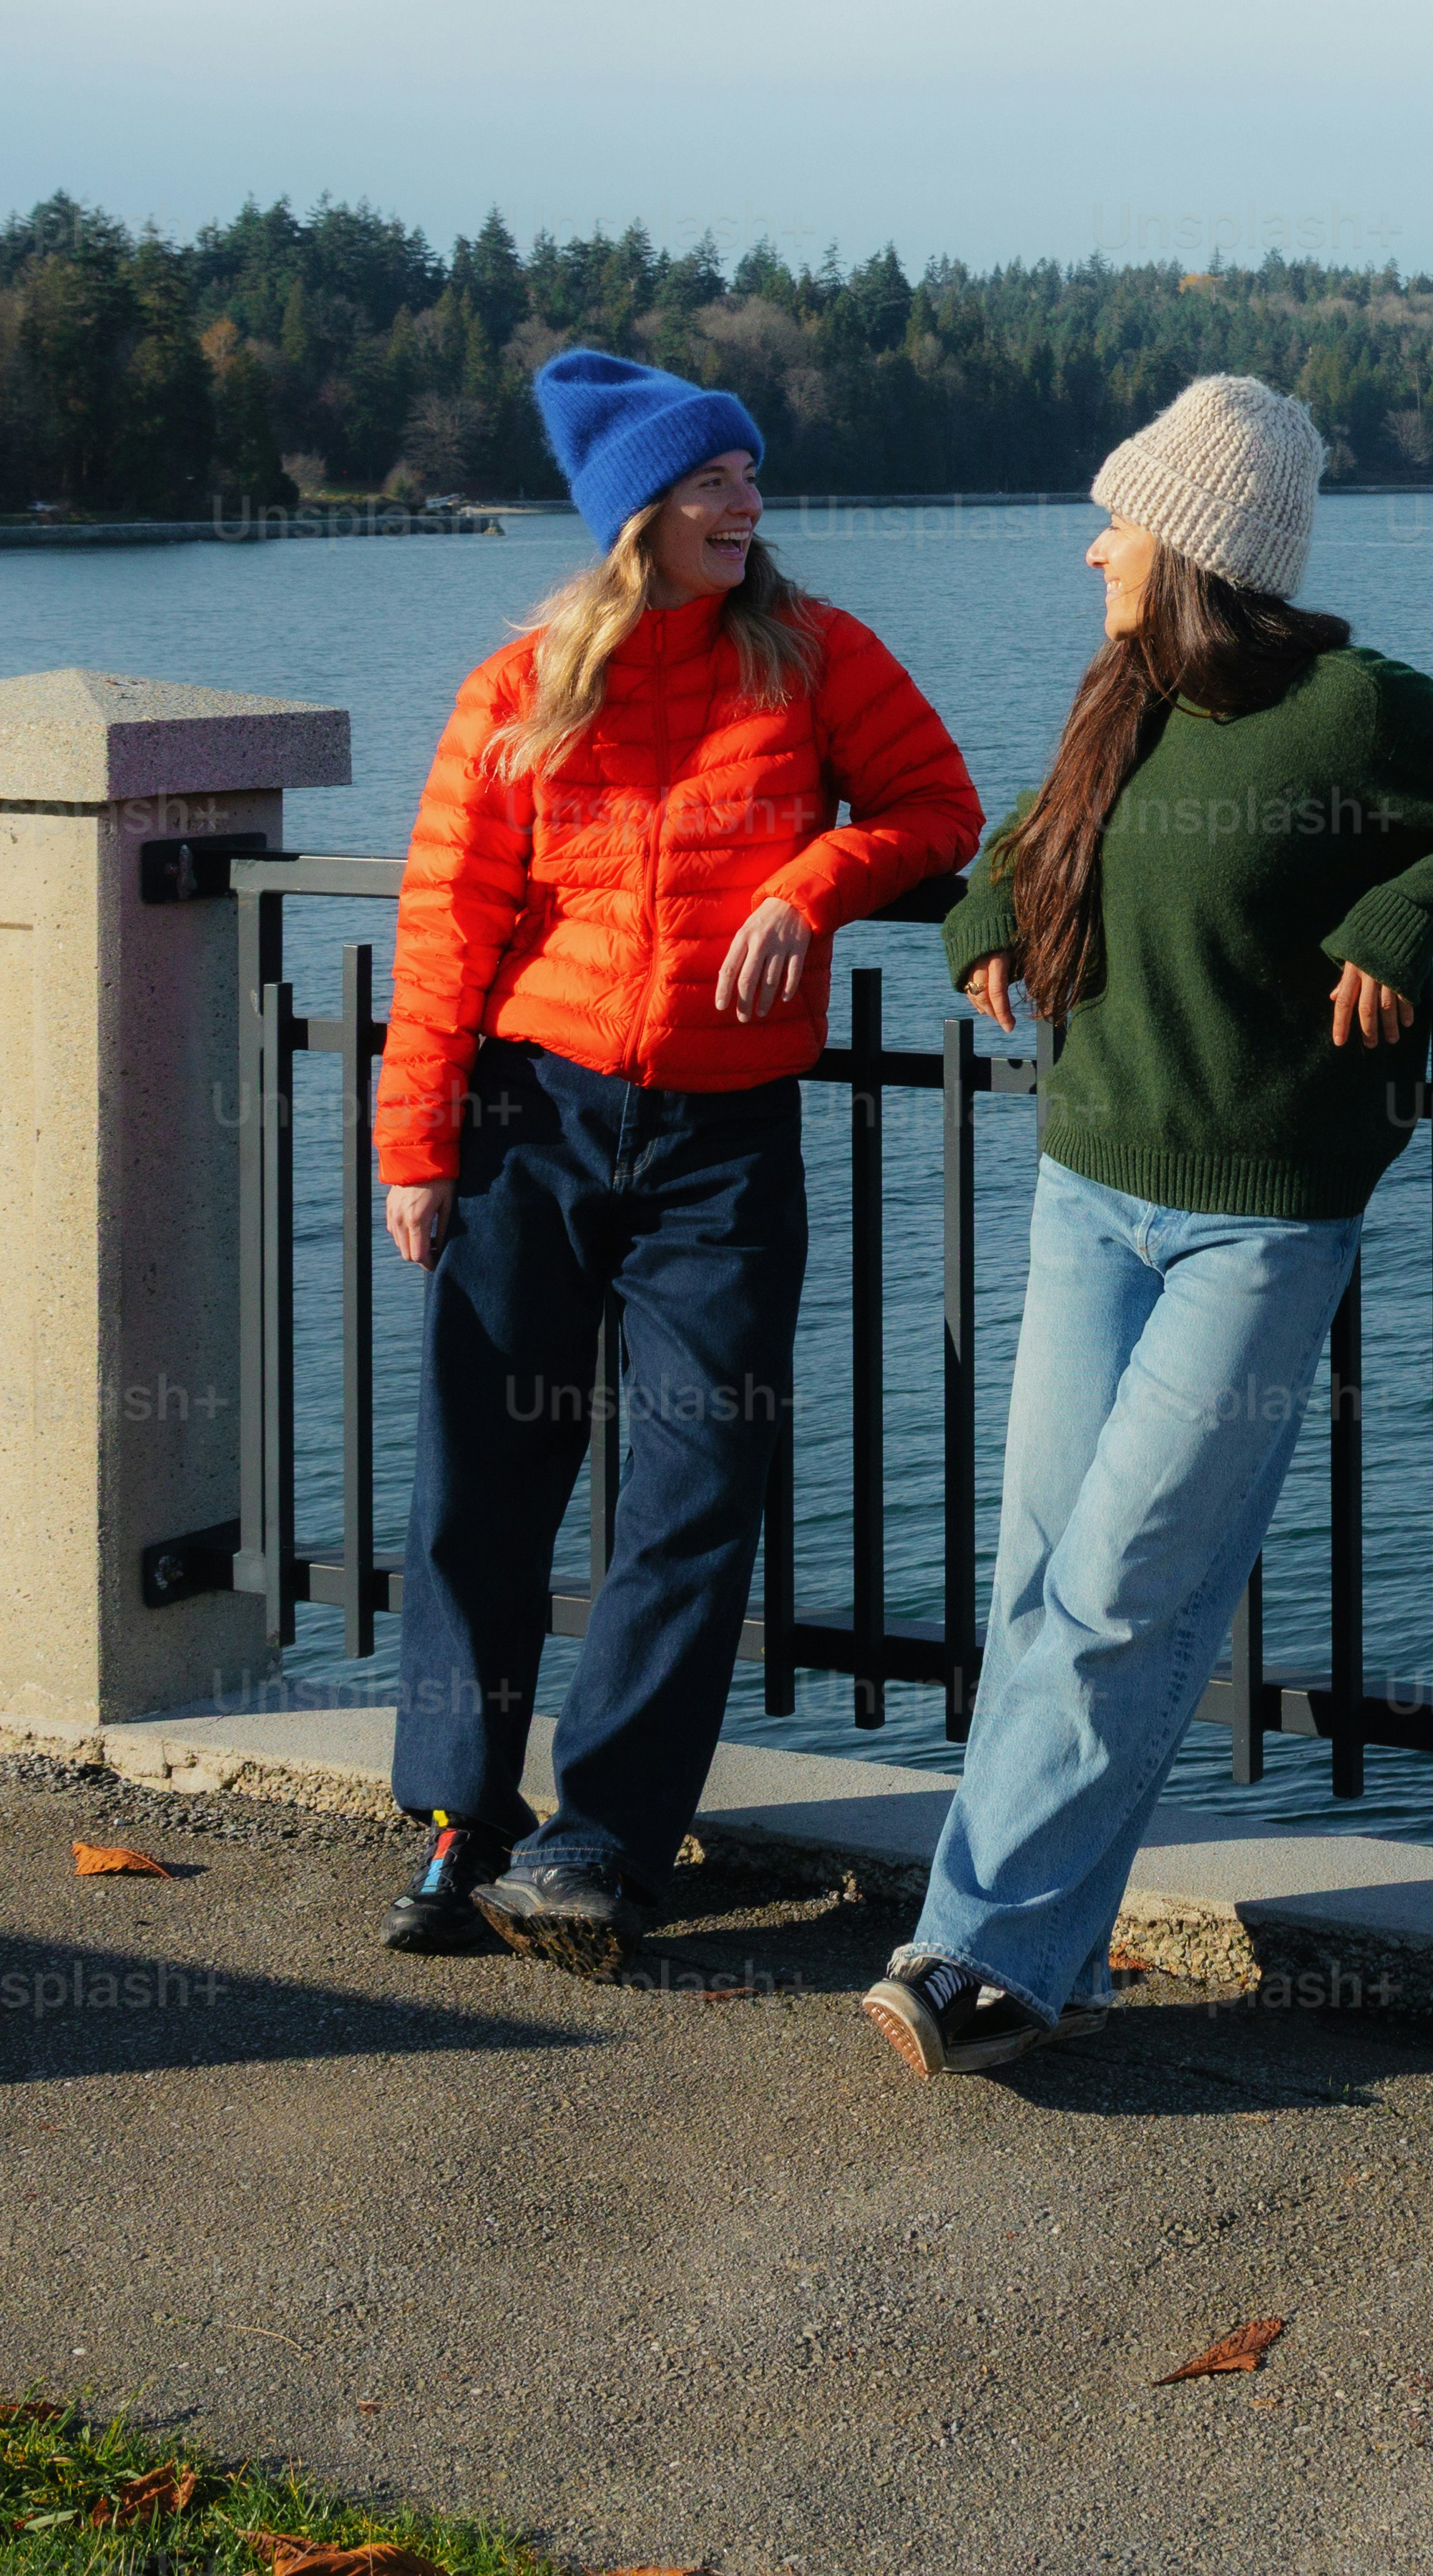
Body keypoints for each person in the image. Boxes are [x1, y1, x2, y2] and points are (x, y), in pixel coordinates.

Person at [866, 375, 1433, 2078]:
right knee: (1041, 1570)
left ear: (1190, 542)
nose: (1092, 546)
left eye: (1119, 518)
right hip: (1085, 1184)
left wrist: (1403, 905)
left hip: (1257, 1220)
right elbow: (1029, 842)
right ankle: (1050, 1957)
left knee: (1121, 1586)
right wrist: (978, 905)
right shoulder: (1122, 693)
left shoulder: (1357, 707)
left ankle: (972, 1950)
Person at [373, 348, 982, 1975]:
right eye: (714, 481)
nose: (746, 503)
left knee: (695, 1487)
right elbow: (446, 926)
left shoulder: (814, 651)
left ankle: (605, 1841)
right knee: (483, 1485)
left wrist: (814, 881)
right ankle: (457, 1821)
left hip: (723, 1139)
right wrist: (417, 1141)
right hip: (532, 1115)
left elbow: (937, 806)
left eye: (749, 478)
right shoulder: (520, 686)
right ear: (636, 508)